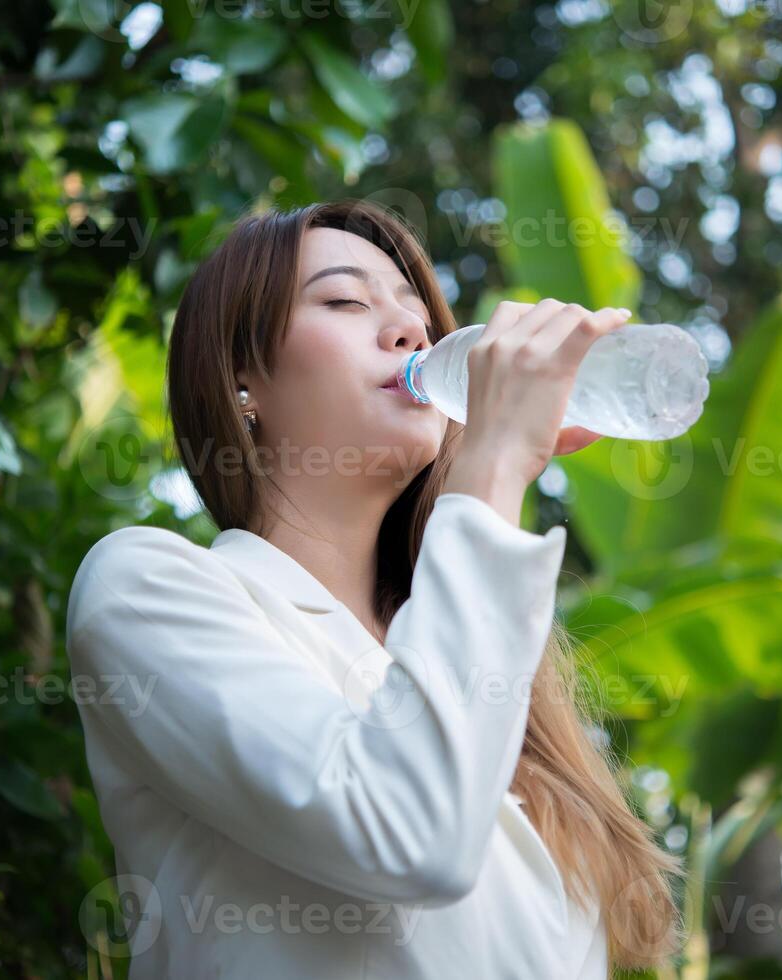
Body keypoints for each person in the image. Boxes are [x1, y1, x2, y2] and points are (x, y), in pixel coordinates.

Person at [65, 199, 684, 978]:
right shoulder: (145, 588)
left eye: (416, 314)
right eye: (346, 300)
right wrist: (490, 469)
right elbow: (409, 835)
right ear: (240, 377)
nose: (409, 331)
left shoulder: (490, 685)